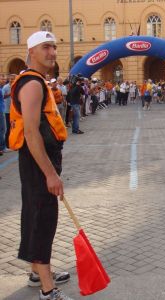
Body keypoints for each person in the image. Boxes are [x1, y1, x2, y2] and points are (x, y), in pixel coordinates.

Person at [8, 31, 73, 300]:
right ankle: (48, 290)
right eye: (46, 47)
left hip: (36, 160)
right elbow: (32, 133)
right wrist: (50, 175)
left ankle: (37, 271)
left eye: (54, 47)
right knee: (44, 220)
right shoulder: (33, 84)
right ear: (32, 51)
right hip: (38, 163)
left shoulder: (38, 81)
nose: (52, 53)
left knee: (34, 216)